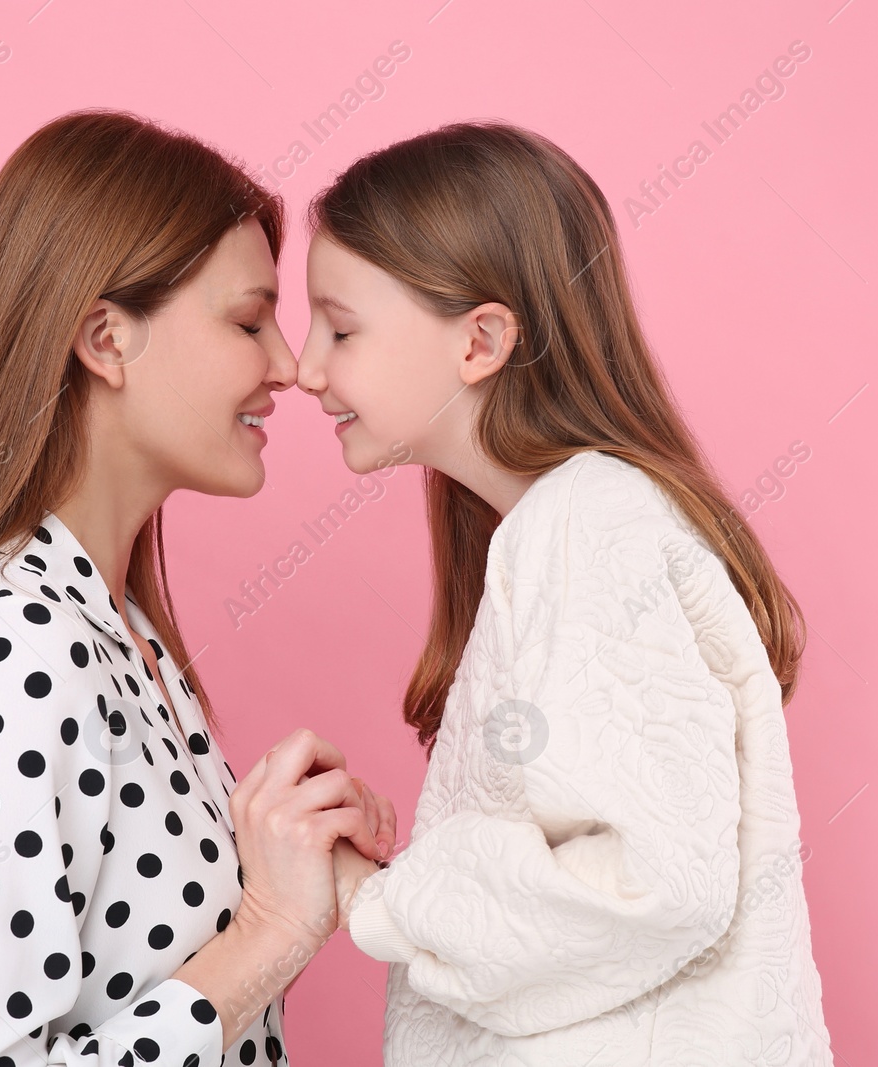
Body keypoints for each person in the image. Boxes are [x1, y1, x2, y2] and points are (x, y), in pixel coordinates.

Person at [0, 109, 396, 1067]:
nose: (289, 366)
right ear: (107, 340)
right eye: (250, 319)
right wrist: (270, 929)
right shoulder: (11, 647)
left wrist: (287, 858)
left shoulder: (113, 629)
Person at [298, 121, 834, 1065]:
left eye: (341, 328)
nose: (306, 367)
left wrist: (369, 898)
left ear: (482, 341)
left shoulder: (590, 523)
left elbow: (651, 882)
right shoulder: (567, 523)